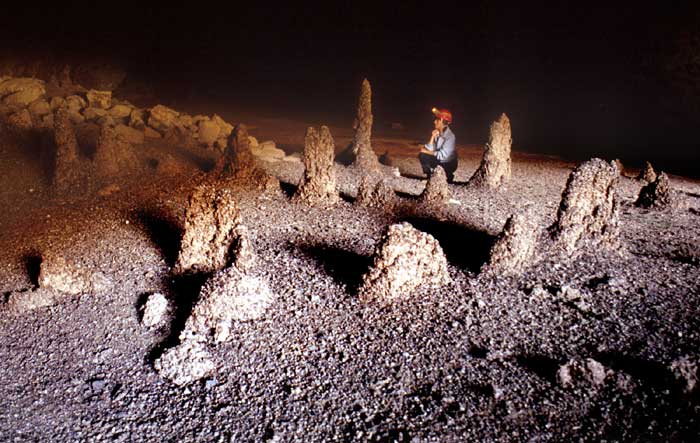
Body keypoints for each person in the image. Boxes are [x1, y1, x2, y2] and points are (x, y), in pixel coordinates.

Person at [419, 107, 458, 183]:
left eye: (436, 120)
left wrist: (427, 152)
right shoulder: (437, 133)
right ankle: (430, 176)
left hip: (448, 163)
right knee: (423, 154)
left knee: (424, 153)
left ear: (442, 121)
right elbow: (428, 149)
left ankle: (448, 175)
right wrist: (432, 137)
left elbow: (442, 156)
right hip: (439, 161)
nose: (434, 122)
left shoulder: (450, 137)